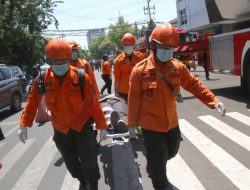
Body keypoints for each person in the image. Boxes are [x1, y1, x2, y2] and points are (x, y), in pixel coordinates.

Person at [127, 23, 226, 190]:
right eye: (164, 47)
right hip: (151, 126)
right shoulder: (139, 71)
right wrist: (131, 125)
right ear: (154, 45)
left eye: (171, 48)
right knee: (158, 168)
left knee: (171, 152)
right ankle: (160, 179)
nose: (168, 51)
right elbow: (134, 100)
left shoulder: (177, 67)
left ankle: (154, 165)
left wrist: (214, 101)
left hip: (172, 124)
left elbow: (194, 84)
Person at [17, 38, 108, 190]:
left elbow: (93, 103)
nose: (60, 66)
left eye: (63, 62)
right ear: (49, 61)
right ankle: (82, 179)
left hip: (82, 124)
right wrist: (23, 123)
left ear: (69, 58)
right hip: (61, 128)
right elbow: (33, 101)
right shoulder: (42, 80)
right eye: (56, 63)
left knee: (89, 158)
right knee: (71, 162)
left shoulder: (80, 77)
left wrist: (102, 125)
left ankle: (92, 183)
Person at [113, 33, 144, 102]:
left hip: (139, 90)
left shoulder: (140, 56)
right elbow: (117, 79)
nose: (128, 46)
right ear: (123, 45)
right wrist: (116, 93)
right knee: (126, 112)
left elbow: (145, 73)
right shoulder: (118, 61)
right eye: (126, 45)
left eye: (130, 44)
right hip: (124, 92)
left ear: (133, 45)